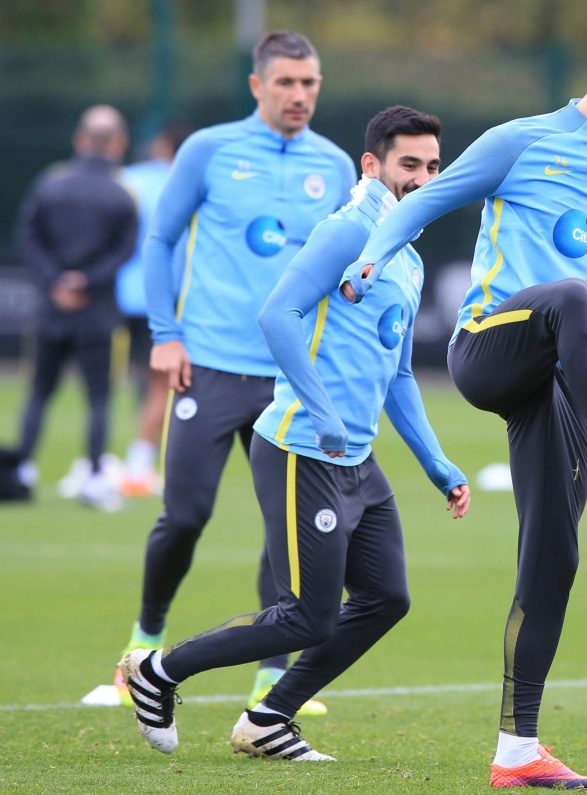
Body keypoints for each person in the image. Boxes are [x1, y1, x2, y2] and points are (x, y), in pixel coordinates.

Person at [340, 16, 587, 790]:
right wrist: (369, 257)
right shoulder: (519, 140)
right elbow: (422, 205)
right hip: (489, 350)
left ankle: (517, 750)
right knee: (568, 296)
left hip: (559, 382)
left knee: (553, 562)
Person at [120, 105, 470, 761]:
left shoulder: (408, 254)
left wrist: (437, 462)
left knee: (386, 597)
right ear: (372, 165)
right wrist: (325, 412)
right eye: (409, 165)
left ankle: (267, 717)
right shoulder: (346, 233)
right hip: (300, 449)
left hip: (357, 462)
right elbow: (276, 316)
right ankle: (157, 670)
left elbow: (397, 376)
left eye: (432, 165)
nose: (424, 177)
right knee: (307, 613)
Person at [115, 31, 357, 716]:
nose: (299, 95)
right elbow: (160, 241)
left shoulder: (335, 166)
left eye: (309, 83)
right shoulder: (210, 150)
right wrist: (165, 336)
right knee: (184, 515)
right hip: (210, 368)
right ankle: (143, 640)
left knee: (287, 536)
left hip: (290, 382)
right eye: (286, 83)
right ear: (258, 85)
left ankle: (270, 677)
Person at [14, 104, 137, 511]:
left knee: (39, 392)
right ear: (118, 143)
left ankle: (22, 469)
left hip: (51, 309)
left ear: (80, 140)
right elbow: (125, 250)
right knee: (99, 397)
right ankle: (96, 477)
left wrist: (56, 280)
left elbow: (27, 237)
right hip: (98, 312)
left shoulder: (51, 184)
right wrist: (86, 281)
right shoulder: (122, 193)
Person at [115, 125, 191, 498]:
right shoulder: (183, 182)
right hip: (162, 295)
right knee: (161, 384)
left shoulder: (127, 178)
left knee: (131, 379)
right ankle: (138, 466)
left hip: (118, 292)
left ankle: (100, 462)